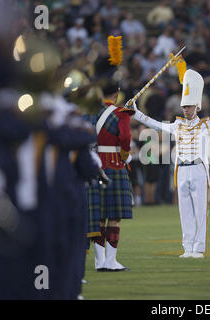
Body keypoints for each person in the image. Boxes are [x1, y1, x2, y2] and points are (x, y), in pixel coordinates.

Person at [130, 68, 210, 258]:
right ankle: (187, 248)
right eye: (184, 106)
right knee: (184, 210)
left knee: (200, 210)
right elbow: (157, 125)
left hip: (199, 169)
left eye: (189, 106)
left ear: (197, 107)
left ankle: (199, 248)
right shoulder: (177, 124)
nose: (185, 109)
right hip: (182, 170)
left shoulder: (206, 124)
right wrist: (136, 114)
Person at [86, 83, 135, 272]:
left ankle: (100, 261)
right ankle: (111, 262)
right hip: (114, 164)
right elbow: (125, 139)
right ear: (117, 93)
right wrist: (125, 156)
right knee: (114, 216)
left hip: (94, 164)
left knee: (98, 215)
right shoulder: (121, 113)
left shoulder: (90, 112)